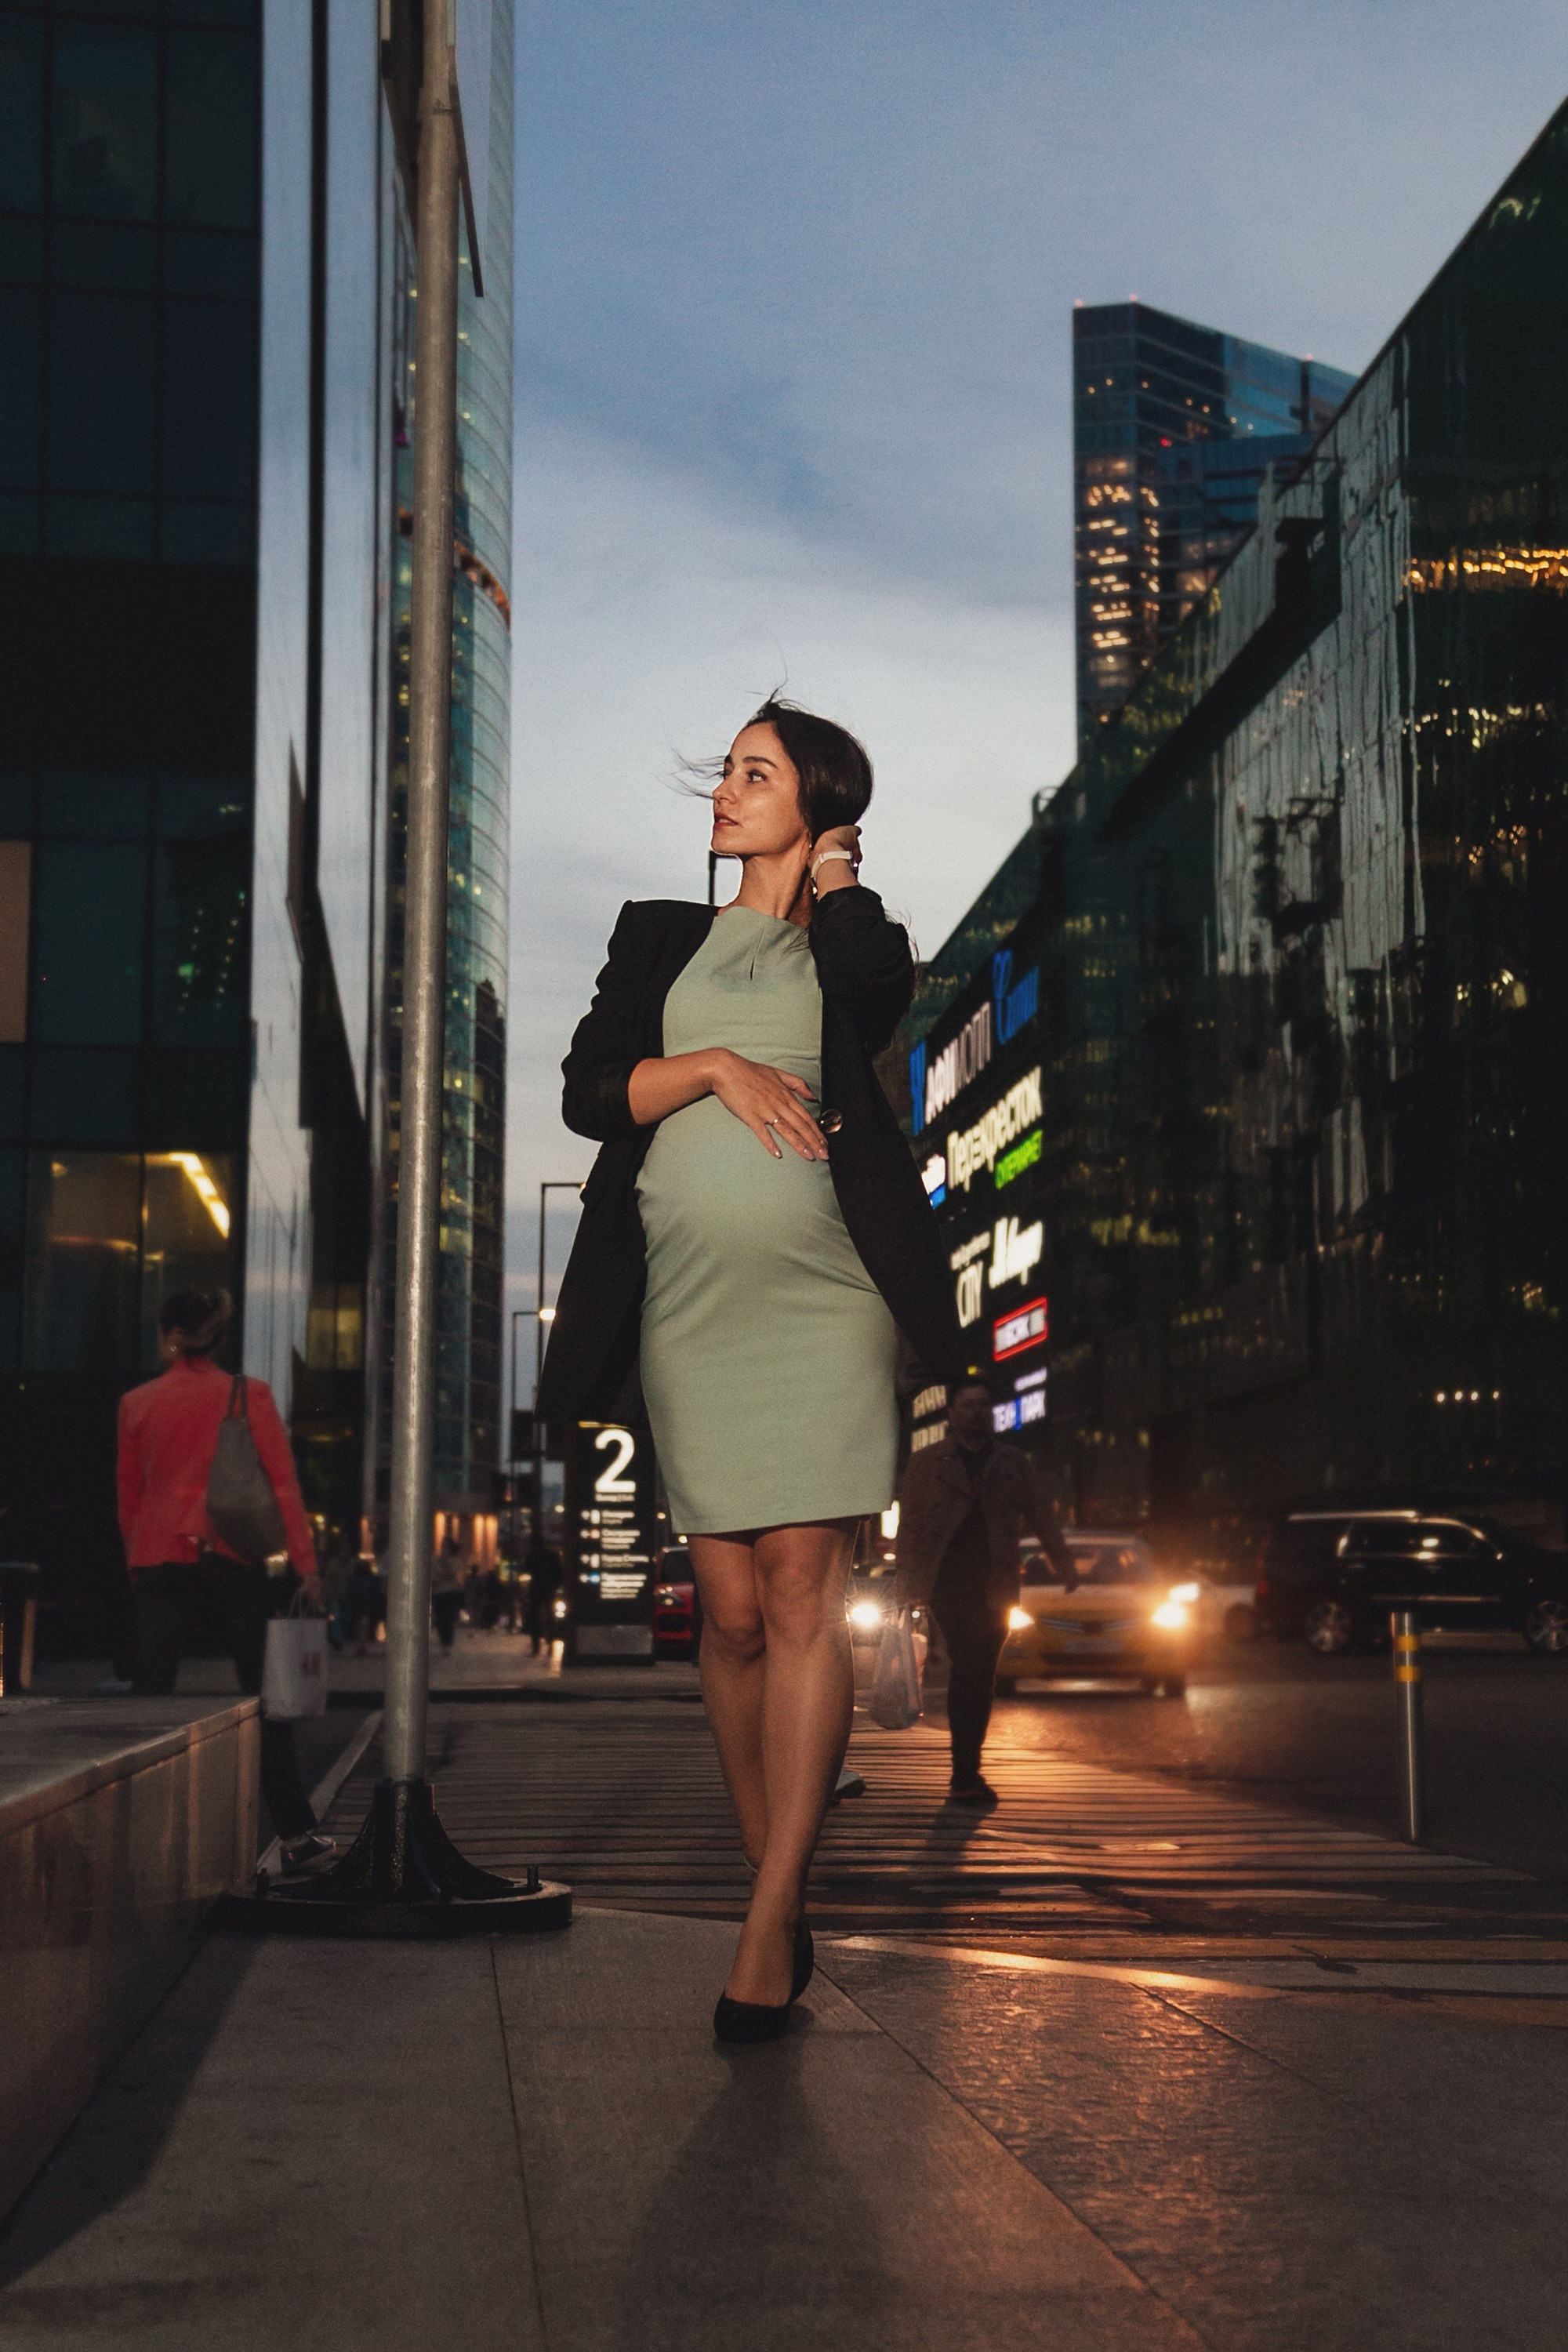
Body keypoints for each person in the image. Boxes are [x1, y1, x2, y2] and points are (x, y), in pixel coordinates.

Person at [539, 696, 962, 2042]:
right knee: (724, 1611)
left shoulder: (850, 939)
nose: (724, 792)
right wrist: (713, 1067)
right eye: (724, 771)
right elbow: (591, 1090)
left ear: (817, 804)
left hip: (830, 1294)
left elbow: (880, 999)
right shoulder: (660, 935)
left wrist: (838, 873)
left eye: (756, 774)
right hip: (693, 1306)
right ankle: (774, 1887)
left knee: (800, 1590)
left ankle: (769, 1922)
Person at [117, 1288, 336, 1872]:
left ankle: (128, 1831)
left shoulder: (137, 1404)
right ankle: (295, 1835)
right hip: (230, 1554)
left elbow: (129, 1494)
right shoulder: (247, 1395)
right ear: (219, 1335)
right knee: (268, 1698)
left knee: (150, 1693)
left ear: (167, 1329)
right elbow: (282, 1483)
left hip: (160, 1553)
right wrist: (305, 1564)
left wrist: (134, 1561)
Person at [895, 1377, 1074, 1807]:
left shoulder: (1012, 1463)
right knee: (970, 1662)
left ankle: (967, 1771)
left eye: (983, 1404)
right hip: (948, 1582)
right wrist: (908, 1584)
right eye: (967, 1404)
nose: (977, 1411)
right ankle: (965, 1773)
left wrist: (1061, 1561)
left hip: (996, 1584)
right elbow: (912, 1529)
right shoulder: (926, 1464)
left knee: (980, 1671)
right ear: (952, 1414)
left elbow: (1041, 1513)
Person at [523, 1537, 564, 1654]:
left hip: (536, 1587)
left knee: (534, 1615)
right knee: (550, 1614)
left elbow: (526, 1570)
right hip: (549, 1588)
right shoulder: (552, 1555)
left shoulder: (532, 1555)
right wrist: (556, 1585)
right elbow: (559, 1572)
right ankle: (550, 1642)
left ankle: (536, 1645)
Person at [430, 1533, 465, 1651]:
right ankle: (443, 1641)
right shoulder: (435, 1559)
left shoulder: (455, 1560)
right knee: (440, 1618)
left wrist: (445, 1564)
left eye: (446, 1546)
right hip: (439, 1592)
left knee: (449, 1618)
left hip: (451, 1592)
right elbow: (434, 1576)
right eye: (442, 1546)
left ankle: (448, 1642)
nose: (444, 1548)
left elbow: (454, 1575)